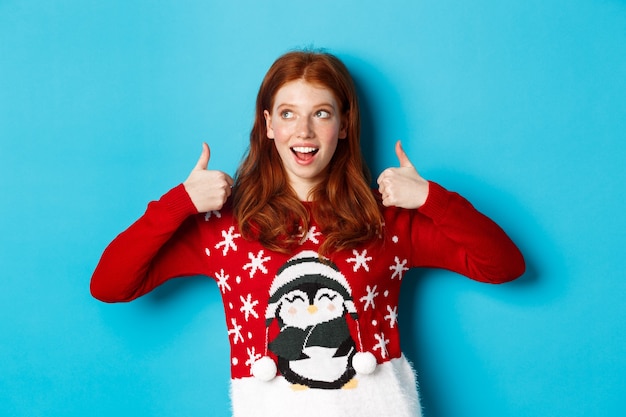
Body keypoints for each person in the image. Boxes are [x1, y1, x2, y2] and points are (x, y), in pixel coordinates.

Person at [91, 50, 525, 417]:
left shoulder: (387, 221)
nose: (303, 132)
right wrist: (180, 202)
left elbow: (503, 265)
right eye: (288, 114)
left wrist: (431, 197)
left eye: (321, 113)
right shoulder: (226, 226)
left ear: (344, 124)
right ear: (268, 125)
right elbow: (110, 284)